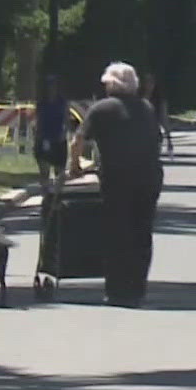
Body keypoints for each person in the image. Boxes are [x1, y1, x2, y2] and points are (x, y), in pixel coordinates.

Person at [69, 62, 164, 307]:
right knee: (142, 233)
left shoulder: (102, 109)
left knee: (116, 233)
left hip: (118, 178)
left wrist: (75, 167)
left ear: (112, 84)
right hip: (149, 176)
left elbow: (78, 140)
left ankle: (117, 289)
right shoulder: (146, 108)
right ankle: (137, 287)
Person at [34, 74, 70, 198]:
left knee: (60, 171)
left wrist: (64, 133)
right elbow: (38, 121)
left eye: (54, 86)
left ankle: (57, 196)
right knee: (44, 171)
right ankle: (46, 196)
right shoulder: (41, 103)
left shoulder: (62, 103)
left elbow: (66, 121)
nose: (51, 89)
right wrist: (38, 137)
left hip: (58, 138)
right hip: (44, 138)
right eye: (49, 86)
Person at [143, 71, 174, 159]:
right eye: (147, 82)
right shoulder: (137, 98)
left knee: (153, 159)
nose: (149, 85)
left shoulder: (159, 100)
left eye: (151, 82)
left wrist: (168, 137)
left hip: (154, 133)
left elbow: (163, 118)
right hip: (139, 134)